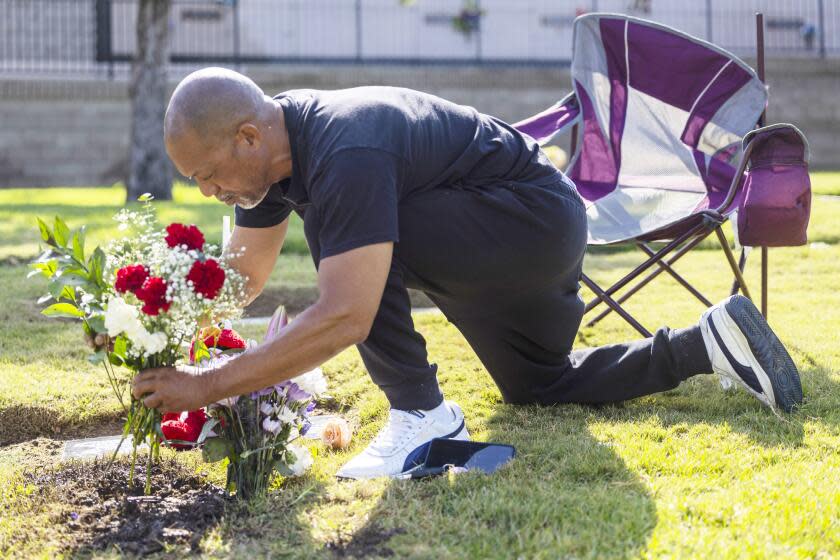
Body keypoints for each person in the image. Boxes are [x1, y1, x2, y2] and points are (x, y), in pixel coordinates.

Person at [133, 68, 803, 479]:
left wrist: (209, 385)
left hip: (530, 221)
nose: (208, 191)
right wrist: (154, 330)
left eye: (206, 174)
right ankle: (708, 343)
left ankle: (420, 412)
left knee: (352, 239)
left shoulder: (343, 146)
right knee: (539, 385)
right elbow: (243, 275)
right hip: (510, 241)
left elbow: (348, 314)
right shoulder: (274, 161)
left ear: (248, 137)